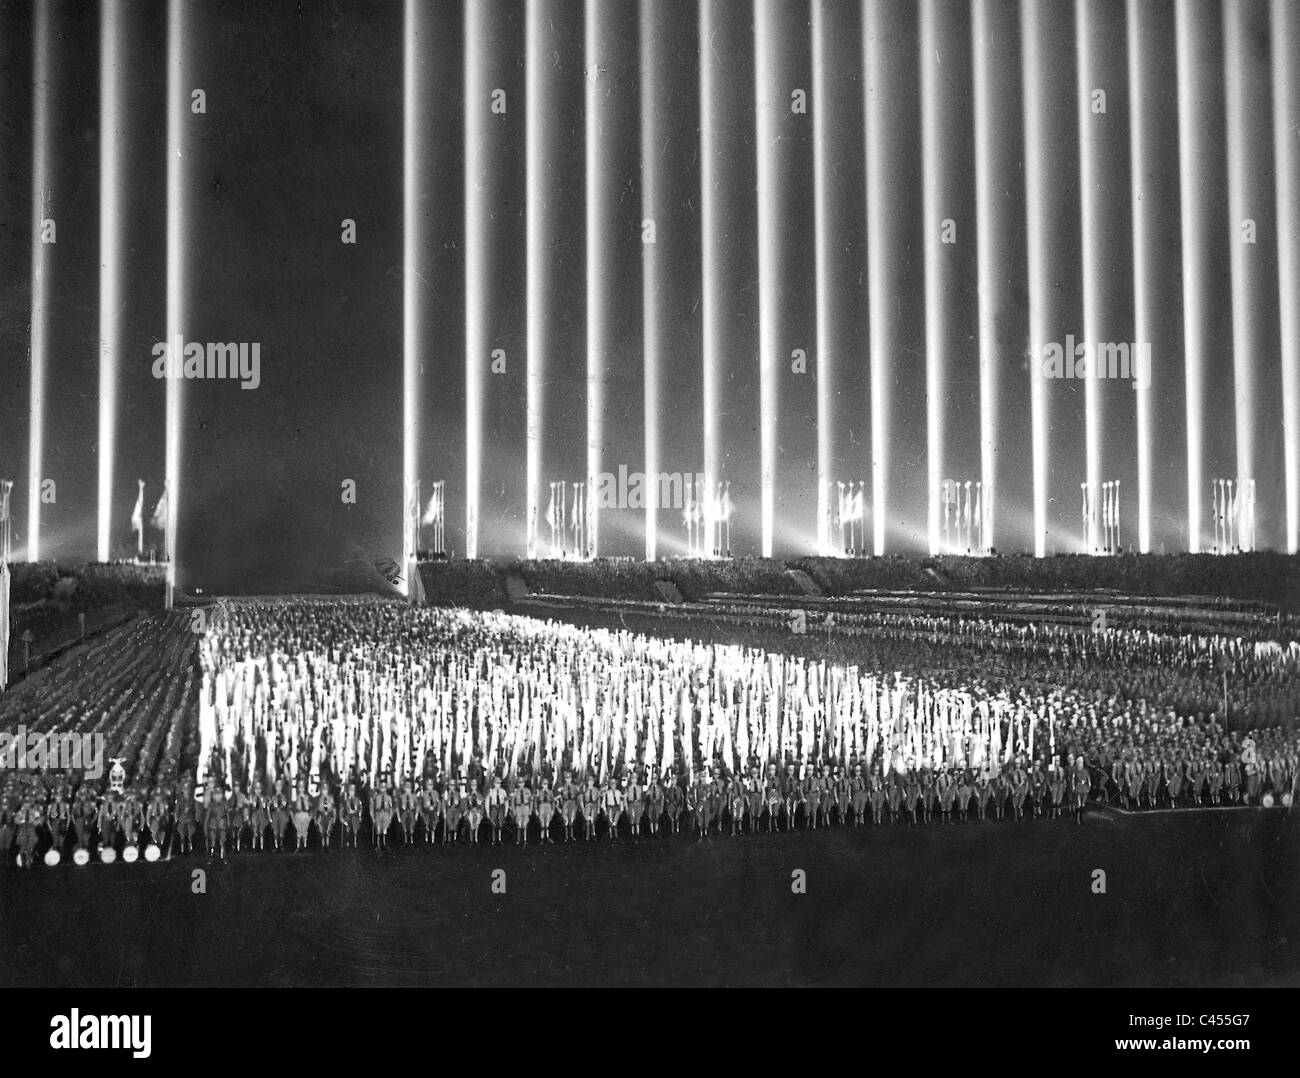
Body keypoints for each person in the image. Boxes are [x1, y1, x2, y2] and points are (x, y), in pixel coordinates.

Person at [486, 775, 508, 845]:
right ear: (494, 783)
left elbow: (506, 802)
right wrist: (487, 811)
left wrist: (506, 811)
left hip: (501, 807)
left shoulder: (503, 791)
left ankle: (499, 839)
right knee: (493, 823)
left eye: (499, 783)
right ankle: (493, 840)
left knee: (501, 823)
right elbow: (487, 801)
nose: (498, 784)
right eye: (496, 783)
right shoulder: (491, 791)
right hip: (494, 807)